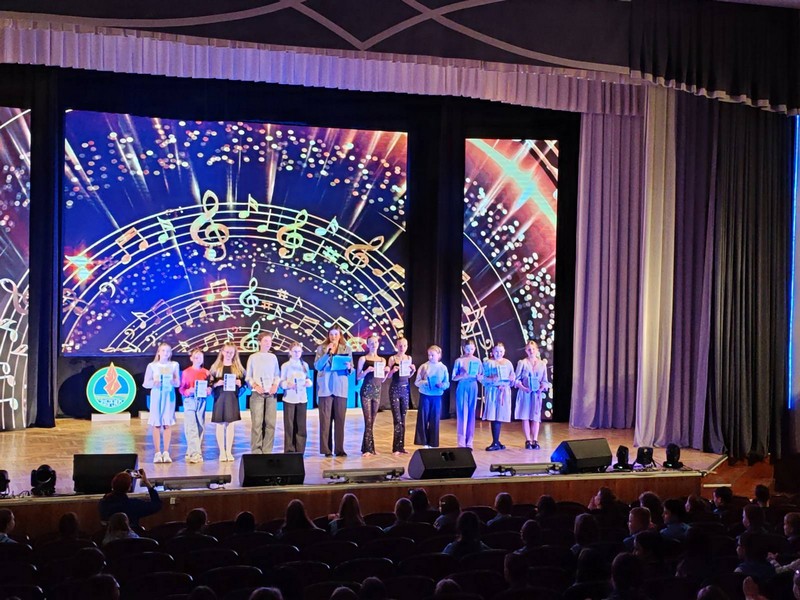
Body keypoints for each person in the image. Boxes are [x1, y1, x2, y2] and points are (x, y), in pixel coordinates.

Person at [314, 327, 353, 457]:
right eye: (331, 334)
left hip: (340, 387)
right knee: (325, 421)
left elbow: (351, 369)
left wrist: (349, 367)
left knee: (340, 420)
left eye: (336, 334)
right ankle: (326, 449)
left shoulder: (346, 349)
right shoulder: (321, 348)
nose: (333, 337)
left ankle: (339, 449)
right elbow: (317, 366)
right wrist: (327, 353)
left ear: (340, 335)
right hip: (325, 388)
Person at [143, 342, 180, 463]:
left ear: (170, 353)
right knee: (157, 424)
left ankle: (166, 452)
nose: (165, 353)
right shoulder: (152, 366)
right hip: (156, 396)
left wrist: (174, 382)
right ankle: (157, 452)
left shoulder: (174, 365)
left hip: (169, 396)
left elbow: (177, 383)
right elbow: (145, 383)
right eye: (163, 350)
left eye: (168, 351)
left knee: (167, 423)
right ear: (158, 352)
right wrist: (154, 383)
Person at [245, 333, 281, 454]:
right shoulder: (253, 357)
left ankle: (267, 450)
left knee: (271, 424)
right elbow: (248, 376)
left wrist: (275, 385)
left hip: (271, 394)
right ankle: (256, 451)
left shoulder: (273, 357)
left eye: (269, 341)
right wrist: (255, 385)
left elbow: (277, 375)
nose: (267, 343)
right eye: (265, 341)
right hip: (257, 393)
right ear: (259, 342)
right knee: (257, 423)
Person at [210, 342, 245, 462]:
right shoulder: (216, 368)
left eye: (231, 352)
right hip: (220, 398)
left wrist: (239, 384)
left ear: (235, 353)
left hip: (232, 398)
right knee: (220, 425)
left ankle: (229, 451)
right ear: (222, 352)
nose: (229, 354)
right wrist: (216, 384)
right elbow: (210, 384)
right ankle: (222, 451)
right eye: (227, 351)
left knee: (230, 425)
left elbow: (244, 384)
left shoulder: (238, 368)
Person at [514, 340, 550, 450]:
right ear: (526, 351)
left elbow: (545, 381)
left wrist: (541, 388)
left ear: (537, 350)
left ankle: (535, 439)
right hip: (525, 393)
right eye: (529, 349)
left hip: (536, 394)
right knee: (525, 416)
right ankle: (528, 440)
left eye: (533, 349)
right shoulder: (522, 363)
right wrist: (523, 388)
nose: (531, 351)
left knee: (535, 417)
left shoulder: (542, 364)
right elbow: (516, 379)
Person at [384, 336, 415, 455]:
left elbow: (408, 376)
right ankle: (396, 447)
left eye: (404, 345)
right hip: (395, 389)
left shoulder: (409, 358)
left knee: (403, 418)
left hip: (405, 388)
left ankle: (401, 446)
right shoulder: (392, 358)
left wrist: (413, 370)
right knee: (397, 419)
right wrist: (393, 370)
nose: (402, 348)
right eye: (400, 345)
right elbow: (388, 376)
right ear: (396, 346)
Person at [414, 345, 450, 448]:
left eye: (432, 355)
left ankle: (433, 443)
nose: (430, 357)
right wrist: (424, 382)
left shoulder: (443, 368)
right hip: (425, 396)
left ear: (439, 355)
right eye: (429, 355)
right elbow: (416, 382)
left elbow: (447, 383)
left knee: (435, 419)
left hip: (436, 396)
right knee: (423, 418)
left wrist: (442, 385)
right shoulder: (424, 366)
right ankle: (424, 442)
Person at [481, 342, 515, 451]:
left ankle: (496, 441)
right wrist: (491, 379)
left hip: (504, 392)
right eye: (496, 351)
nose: (498, 353)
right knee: (493, 416)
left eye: (501, 351)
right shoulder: (488, 363)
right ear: (492, 351)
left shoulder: (508, 363)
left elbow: (512, 380)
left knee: (499, 416)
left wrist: (511, 379)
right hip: (493, 391)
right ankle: (495, 441)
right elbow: (482, 379)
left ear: (504, 352)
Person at [280, 342, 312, 454]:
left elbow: (308, 379)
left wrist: (308, 382)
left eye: (299, 351)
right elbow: (281, 382)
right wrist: (287, 385)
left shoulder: (305, 365)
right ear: (290, 352)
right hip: (289, 398)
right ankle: (289, 450)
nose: (297, 353)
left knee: (301, 425)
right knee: (289, 426)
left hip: (302, 398)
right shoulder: (285, 366)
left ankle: (300, 450)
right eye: (295, 351)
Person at [179, 347, 210, 464]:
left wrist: (209, 390)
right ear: (191, 358)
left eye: (200, 357)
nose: (198, 359)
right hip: (190, 400)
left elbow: (210, 385)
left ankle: (190, 451)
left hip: (201, 401)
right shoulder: (186, 372)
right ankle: (195, 454)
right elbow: (182, 389)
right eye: (196, 357)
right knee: (191, 426)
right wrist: (187, 391)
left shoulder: (206, 372)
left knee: (200, 426)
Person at [451, 340, 482, 449]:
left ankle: (470, 442)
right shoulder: (459, 361)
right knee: (462, 413)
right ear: (464, 348)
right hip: (463, 385)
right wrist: (462, 375)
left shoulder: (477, 361)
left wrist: (480, 377)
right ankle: (461, 442)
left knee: (471, 413)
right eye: (468, 349)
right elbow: (453, 377)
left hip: (473, 385)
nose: (470, 351)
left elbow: (482, 376)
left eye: (472, 349)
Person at [357, 334, 384, 456]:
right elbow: (358, 377)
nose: (374, 345)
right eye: (371, 343)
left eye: (376, 342)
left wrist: (386, 372)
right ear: (367, 345)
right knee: (367, 421)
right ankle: (368, 449)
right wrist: (366, 371)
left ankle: (369, 448)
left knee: (372, 421)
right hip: (366, 391)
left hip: (377, 391)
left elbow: (382, 379)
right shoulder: (363, 359)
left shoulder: (382, 360)